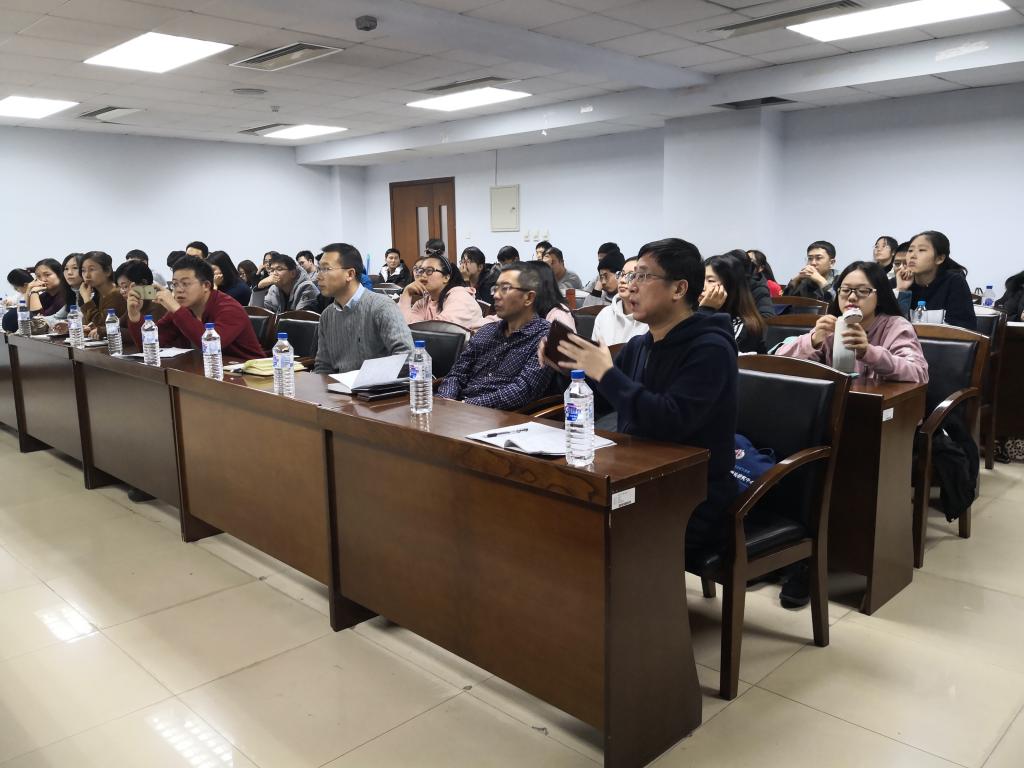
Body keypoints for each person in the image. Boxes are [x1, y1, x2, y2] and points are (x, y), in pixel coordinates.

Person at [546, 237, 738, 553]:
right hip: (637, 473)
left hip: (691, 491)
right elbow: (604, 399)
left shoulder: (712, 348)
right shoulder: (640, 345)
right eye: (631, 275)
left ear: (679, 289)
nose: (631, 286)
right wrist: (568, 368)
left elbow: (669, 420)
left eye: (644, 276)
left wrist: (606, 373)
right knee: (558, 508)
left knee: (583, 534)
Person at [776, 261, 929, 384]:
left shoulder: (896, 326)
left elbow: (918, 373)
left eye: (862, 291)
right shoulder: (832, 325)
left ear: (880, 296)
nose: (852, 297)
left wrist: (868, 352)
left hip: (881, 406)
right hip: (834, 404)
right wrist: (813, 340)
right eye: (845, 290)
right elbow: (778, 363)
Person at [438, 262, 553, 410]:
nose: (496, 295)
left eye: (505, 288)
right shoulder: (486, 331)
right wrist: (446, 399)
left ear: (529, 298)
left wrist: (466, 405)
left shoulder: (545, 337)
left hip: (504, 416)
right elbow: (456, 374)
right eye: (495, 288)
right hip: (459, 409)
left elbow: (522, 391)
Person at [126, 255, 264, 360]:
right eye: (175, 284)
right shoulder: (183, 308)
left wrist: (175, 308)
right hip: (206, 372)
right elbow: (149, 346)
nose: (178, 290)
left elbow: (210, 346)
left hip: (251, 376)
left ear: (206, 285)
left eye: (185, 284)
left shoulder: (229, 308)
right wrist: (134, 316)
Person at [312, 243, 413, 374]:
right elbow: (323, 366)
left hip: (379, 385)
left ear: (350, 274)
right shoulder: (327, 315)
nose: (318, 276)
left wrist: (364, 378)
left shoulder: (381, 306)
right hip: (337, 386)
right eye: (319, 269)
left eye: (326, 269)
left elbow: (407, 357)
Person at [894, 231, 976, 331]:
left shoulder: (954, 282)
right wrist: (901, 290)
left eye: (921, 250)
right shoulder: (898, 282)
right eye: (910, 250)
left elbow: (961, 330)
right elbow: (891, 326)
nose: (912, 255)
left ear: (939, 258)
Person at [398, 254, 486, 331]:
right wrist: (406, 294)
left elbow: (438, 330)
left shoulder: (460, 297)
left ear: (446, 278)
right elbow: (405, 330)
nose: (423, 275)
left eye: (429, 270)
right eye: (420, 271)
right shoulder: (422, 303)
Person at [699, 254, 767, 354]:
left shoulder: (744, 326)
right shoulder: (692, 310)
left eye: (710, 281)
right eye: (700, 279)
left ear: (730, 286)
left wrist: (706, 310)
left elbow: (707, 354)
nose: (702, 286)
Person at [592, 256, 648, 345]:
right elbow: (594, 351)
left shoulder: (650, 319)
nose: (622, 280)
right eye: (622, 274)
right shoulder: (604, 315)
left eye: (631, 276)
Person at [79, 251, 128, 336]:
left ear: (107, 271)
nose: (86, 275)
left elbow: (102, 325)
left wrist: (86, 299)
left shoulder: (117, 294)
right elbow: (91, 323)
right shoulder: (100, 295)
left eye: (92, 269)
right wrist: (88, 327)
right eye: (83, 270)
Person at [255, 253, 319, 313]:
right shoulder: (274, 289)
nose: (274, 273)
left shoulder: (307, 287)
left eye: (279, 269)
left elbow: (299, 318)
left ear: (293, 273)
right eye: (272, 270)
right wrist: (260, 287)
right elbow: (256, 314)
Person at [114, 259, 166, 328]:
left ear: (143, 283)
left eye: (125, 286)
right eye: (120, 287)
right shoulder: (135, 302)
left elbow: (147, 332)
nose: (122, 291)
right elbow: (116, 325)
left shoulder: (158, 303)